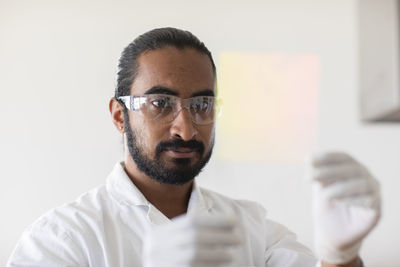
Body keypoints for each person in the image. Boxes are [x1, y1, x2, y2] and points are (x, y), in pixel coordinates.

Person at [7, 27, 381, 267]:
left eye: (201, 105)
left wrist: (341, 257)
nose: (185, 129)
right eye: (160, 104)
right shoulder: (61, 240)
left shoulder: (253, 230)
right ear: (120, 116)